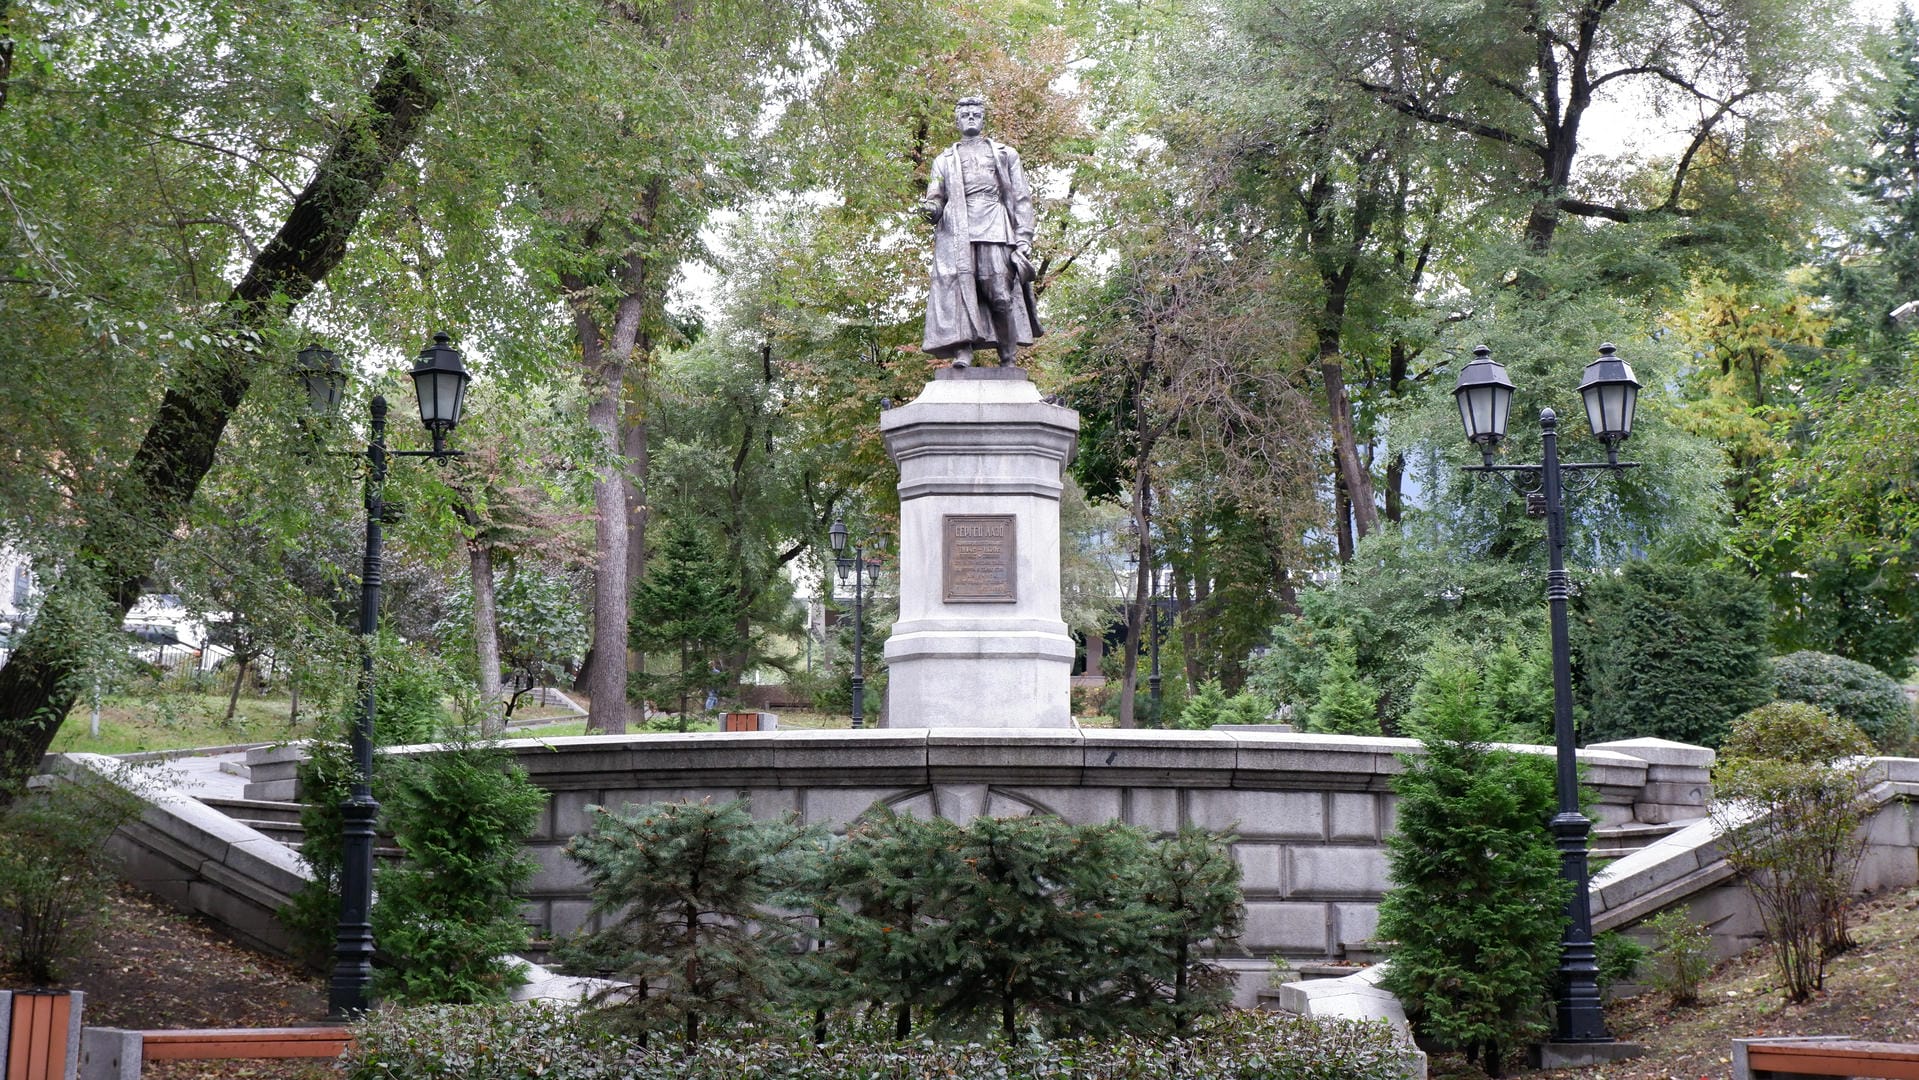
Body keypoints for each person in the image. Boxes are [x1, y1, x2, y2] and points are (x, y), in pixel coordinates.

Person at [919, 96, 1043, 368]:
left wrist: (1023, 238)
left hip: (995, 226)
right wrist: (929, 209)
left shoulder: (1005, 153)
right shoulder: (943, 160)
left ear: (983, 118)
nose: (971, 118)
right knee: (960, 292)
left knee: (1000, 294)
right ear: (957, 120)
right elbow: (936, 197)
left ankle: (1008, 357)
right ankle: (963, 351)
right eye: (966, 115)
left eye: (976, 113)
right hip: (957, 230)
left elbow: (1021, 197)